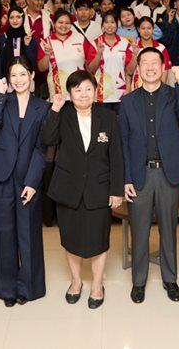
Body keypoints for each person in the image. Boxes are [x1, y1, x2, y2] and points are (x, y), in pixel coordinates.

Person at [41, 70, 125, 310]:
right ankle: (76, 281)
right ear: (70, 93)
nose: (84, 94)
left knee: (99, 240)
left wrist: (116, 190)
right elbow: (47, 138)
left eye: (88, 89)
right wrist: (55, 109)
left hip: (99, 189)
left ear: (96, 91)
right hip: (69, 189)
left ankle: (97, 285)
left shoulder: (108, 117)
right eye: (78, 90)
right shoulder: (63, 114)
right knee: (71, 240)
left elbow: (116, 156)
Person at [120, 55, 179, 303]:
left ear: (162, 68)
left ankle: (170, 279)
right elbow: (123, 143)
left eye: (155, 63)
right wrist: (126, 178)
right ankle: (138, 282)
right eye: (145, 63)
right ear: (138, 69)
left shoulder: (173, 94)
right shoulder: (128, 101)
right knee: (139, 231)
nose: (150, 68)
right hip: (139, 174)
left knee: (168, 230)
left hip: (167, 174)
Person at [0, 59, 49, 306]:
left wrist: (33, 182)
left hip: (27, 177)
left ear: (32, 75)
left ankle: (28, 287)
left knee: (28, 232)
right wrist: (1, 93)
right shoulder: (5, 100)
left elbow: (41, 149)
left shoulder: (42, 107)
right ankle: (6, 289)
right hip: (3, 174)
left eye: (23, 74)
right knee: (3, 233)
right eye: (14, 75)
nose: (19, 80)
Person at [37, 11, 96, 98]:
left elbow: (91, 63)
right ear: (54, 23)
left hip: (80, 90)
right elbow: (41, 68)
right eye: (60, 22)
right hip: (57, 93)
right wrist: (47, 54)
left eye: (67, 23)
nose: (64, 26)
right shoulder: (46, 42)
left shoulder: (80, 38)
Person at [87, 11, 135, 112]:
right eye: (106, 22)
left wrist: (135, 55)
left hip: (121, 94)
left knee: (120, 121)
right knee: (102, 122)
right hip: (101, 94)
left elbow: (129, 71)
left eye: (112, 22)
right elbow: (91, 70)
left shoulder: (125, 43)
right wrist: (99, 53)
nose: (109, 25)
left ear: (117, 24)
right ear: (102, 25)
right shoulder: (95, 43)